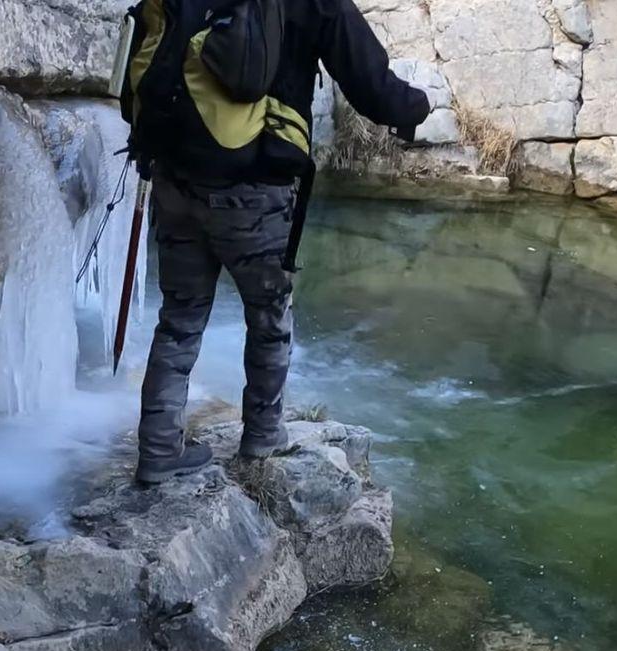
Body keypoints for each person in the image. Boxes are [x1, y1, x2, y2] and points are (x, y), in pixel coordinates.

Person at [131, 0, 432, 484]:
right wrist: (417, 107)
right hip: (255, 186)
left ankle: (159, 449)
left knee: (180, 316)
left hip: (175, 178)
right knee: (269, 312)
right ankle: (263, 436)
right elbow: (371, 84)